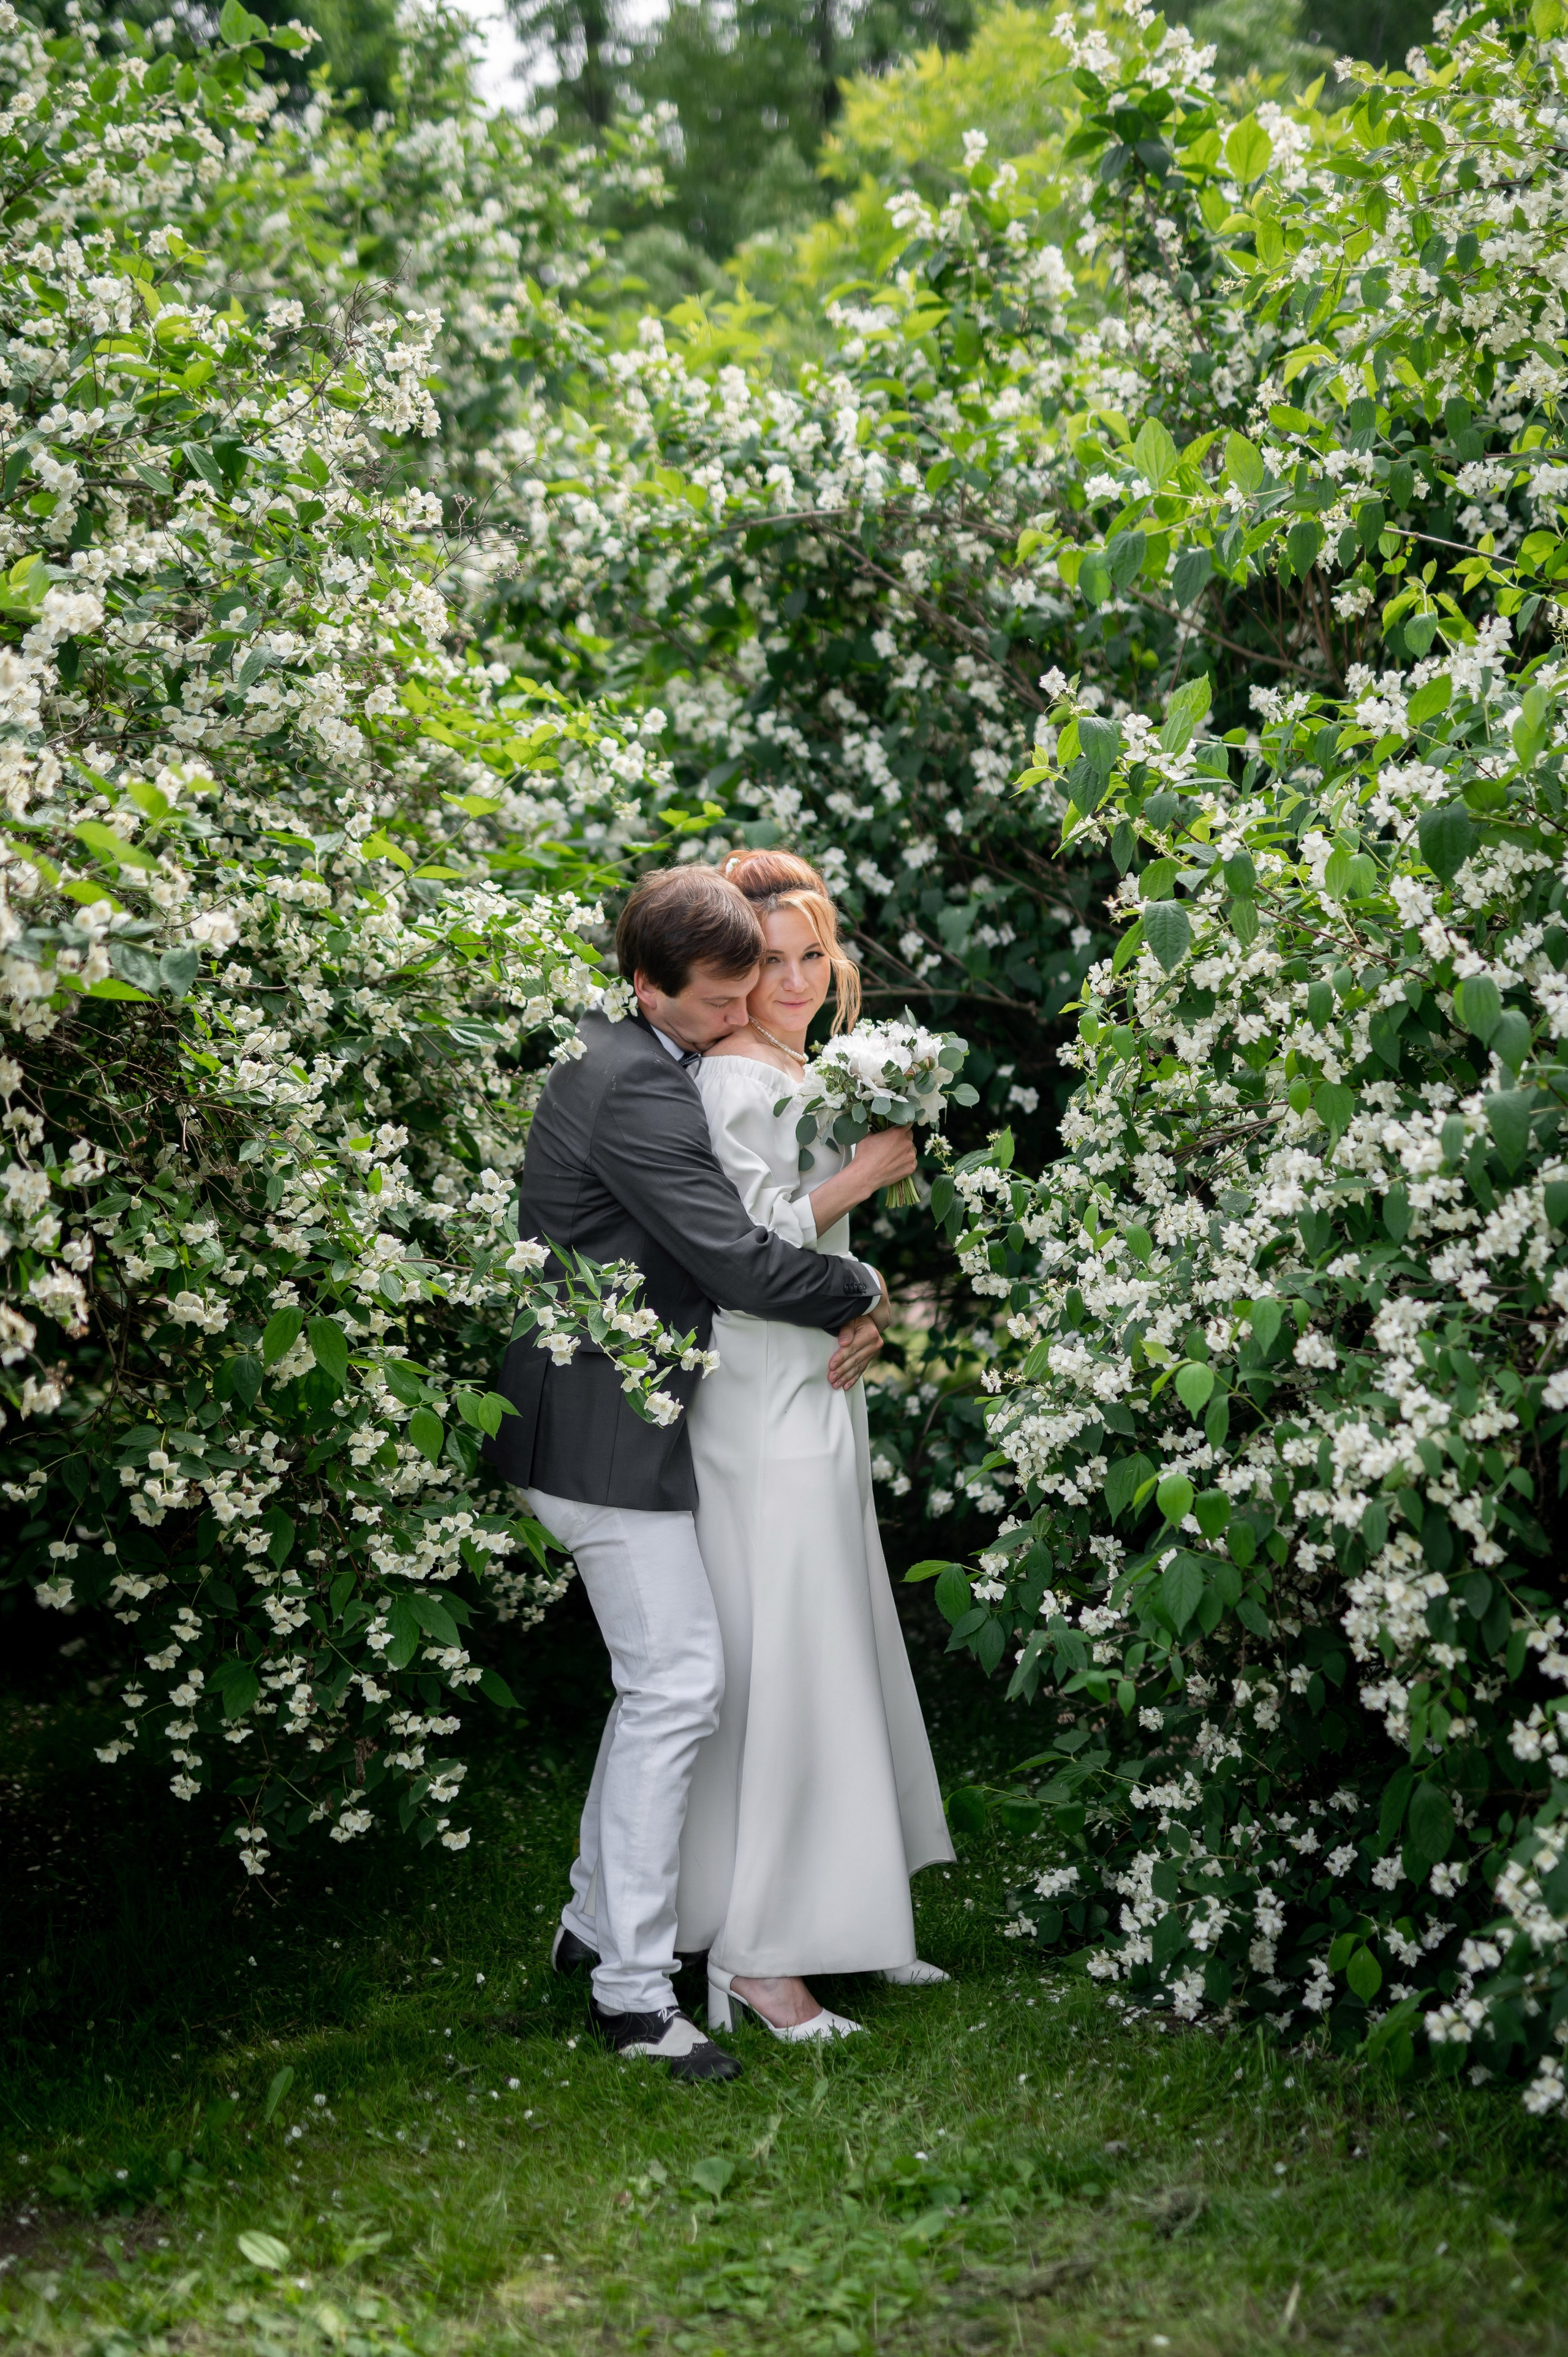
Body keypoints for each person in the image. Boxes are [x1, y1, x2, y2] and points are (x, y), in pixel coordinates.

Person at [483, 864, 899, 2083]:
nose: (735, 1020)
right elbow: (739, 1262)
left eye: (743, 994)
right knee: (679, 1686)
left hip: (595, 1414)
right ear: (645, 984)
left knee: (663, 1685)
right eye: (715, 1001)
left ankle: (593, 1919)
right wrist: (864, 1293)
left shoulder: (627, 1053)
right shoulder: (640, 1095)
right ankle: (632, 1998)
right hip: (598, 1432)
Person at [679, 848, 955, 2043]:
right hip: (753, 1389)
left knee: (835, 1630)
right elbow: (734, 1250)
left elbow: (812, 1254)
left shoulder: (791, 1065)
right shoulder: (732, 1080)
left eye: (807, 954)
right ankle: (753, 1955)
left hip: (809, 1371)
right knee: (781, 1650)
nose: (789, 980)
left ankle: (848, 1913)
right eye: (763, 959)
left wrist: (865, 1292)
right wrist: (861, 1179)